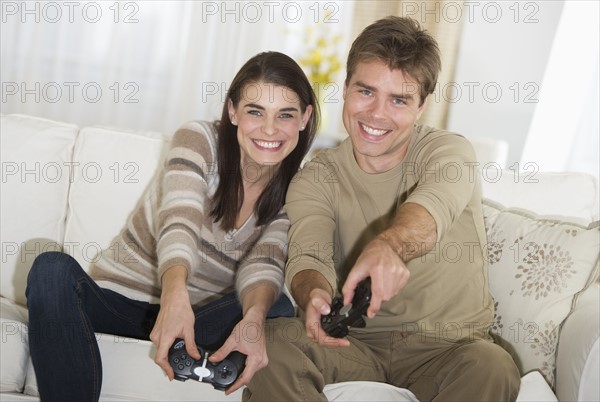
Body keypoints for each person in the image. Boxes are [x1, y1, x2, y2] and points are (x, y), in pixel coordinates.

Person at [244, 17, 521, 402]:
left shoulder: (448, 153)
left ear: (421, 106)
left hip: (448, 350)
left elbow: (429, 214)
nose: (376, 114)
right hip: (354, 346)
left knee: (494, 365)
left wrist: (389, 246)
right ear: (345, 89)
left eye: (399, 100)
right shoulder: (317, 176)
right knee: (271, 342)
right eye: (366, 91)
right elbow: (309, 256)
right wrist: (314, 296)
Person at [26, 51, 319, 401]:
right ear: (232, 112)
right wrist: (174, 293)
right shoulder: (198, 139)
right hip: (121, 303)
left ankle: (204, 354)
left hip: (196, 322)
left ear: (304, 118)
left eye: (285, 115)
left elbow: (264, 265)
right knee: (50, 269)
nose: (269, 130)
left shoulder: (298, 189)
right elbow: (179, 221)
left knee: (276, 304)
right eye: (255, 111)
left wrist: (254, 316)